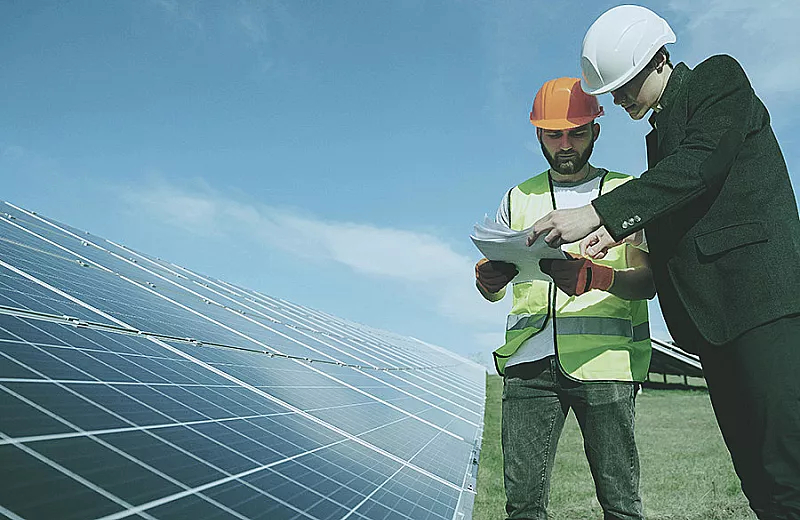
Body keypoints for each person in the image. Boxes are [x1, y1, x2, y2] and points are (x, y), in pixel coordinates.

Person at [529, 6, 800, 518]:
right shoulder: (661, 134)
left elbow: (699, 165)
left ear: (659, 58)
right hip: (713, 321)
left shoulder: (718, 79)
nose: (618, 98)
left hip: (761, 303)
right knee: (758, 480)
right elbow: (687, 203)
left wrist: (598, 213)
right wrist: (616, 232)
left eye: (626, 83)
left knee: (788, 470)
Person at [475, 76, 655, 520]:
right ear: (539, 134)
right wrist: (487, 280)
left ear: (596, 129)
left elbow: (648, 283)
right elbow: (492, 294)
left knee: (621, 506)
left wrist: (596, 276)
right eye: (554, 134)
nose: (566, 144)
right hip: (527, 366)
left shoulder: (626, 192)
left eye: (576, 132)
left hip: (606, 363)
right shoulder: (517, 198)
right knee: (522, 509)